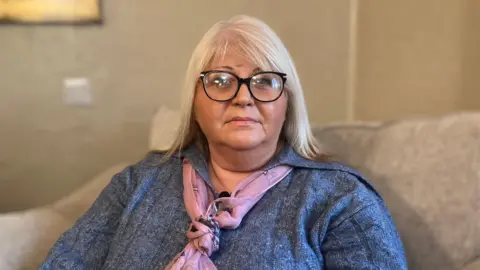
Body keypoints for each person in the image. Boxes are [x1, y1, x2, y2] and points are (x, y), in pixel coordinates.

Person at [40, 15, 407, 269]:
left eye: (264, 80)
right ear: (193, 101)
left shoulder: (340, 200)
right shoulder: (137, 182)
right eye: (220, 81)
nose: (243, 97)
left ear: (287, 102)